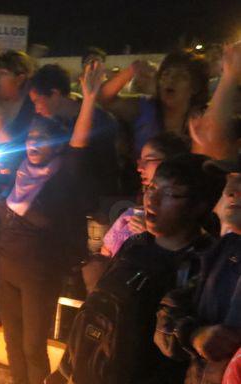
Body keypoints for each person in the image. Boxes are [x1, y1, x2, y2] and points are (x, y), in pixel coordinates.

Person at [53, 153, 221, 384]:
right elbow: (100, 313)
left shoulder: (203, 266)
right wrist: (71, 367)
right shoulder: (137, 246)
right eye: (151, 188)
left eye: (170, 194)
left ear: (199, 206)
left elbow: (183, 355)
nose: (152, 199)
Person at [0, 62, 104, 384]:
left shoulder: (63, 173)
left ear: (57, 145)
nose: (34, 144)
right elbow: (1, 137)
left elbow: (79, 144)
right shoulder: (20, 170)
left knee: (34, 345)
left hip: (40, 271)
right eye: (31, 138)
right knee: (12, 338)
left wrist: (89, 98)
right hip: (8, 265)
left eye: (43, 140)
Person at [156, 159, 241, 384]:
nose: (236, 191)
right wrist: (193, 333)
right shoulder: (210, 257)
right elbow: (167, 314)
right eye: (231, 183)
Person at [28, 63, 120, 201]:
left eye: (36, 101)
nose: (36, 109)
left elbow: (107, 167)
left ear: (55, 94)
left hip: (98, 199)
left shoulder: (99, 119)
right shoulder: (54, 123)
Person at [98, 50, 210, 156]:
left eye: (181, 76)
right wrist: (132, 70)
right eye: (166, 74)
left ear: (195, 87)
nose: (171, 79)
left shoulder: (203, 119)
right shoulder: (145, 108)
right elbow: (104, 98)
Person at [100, 132, 191, 258]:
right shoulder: (137, 210)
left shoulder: (183, 204)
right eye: (140, 161)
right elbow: (107, 250)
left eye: (148, 160)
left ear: (171, 161)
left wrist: (151, 229)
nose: (139, 168)